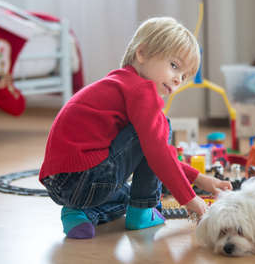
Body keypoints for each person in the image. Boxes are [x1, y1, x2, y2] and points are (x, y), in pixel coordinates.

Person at [39, 17, 233, 239]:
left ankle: (78, 213)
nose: (178, 79)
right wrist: (189, 198)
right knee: (162, 126)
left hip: (59, 184)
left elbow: (155, 152)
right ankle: (142, 212)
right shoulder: (141, 91)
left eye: (184, 75)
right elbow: (157, 152)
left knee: (126, 194)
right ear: (142, 54)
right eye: (174, 65)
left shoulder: (120, 84)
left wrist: (201, 179)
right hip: (88, 177)